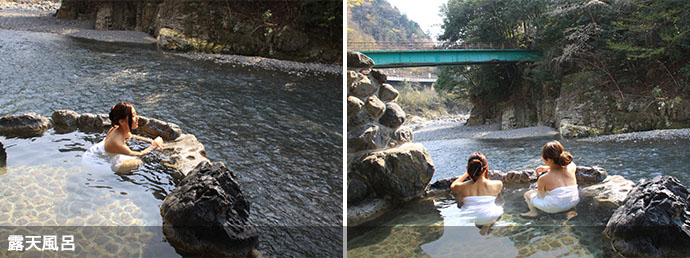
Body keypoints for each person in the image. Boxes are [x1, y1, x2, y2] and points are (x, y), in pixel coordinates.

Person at [83, 102, 163, 173]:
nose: (137, 118)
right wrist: (154, 145)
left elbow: (132, 136)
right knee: (138, 162)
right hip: (95, 163)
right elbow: (140, 154)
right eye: (133, 116)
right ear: (122, 122)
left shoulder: (118, 128)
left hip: (98, 153)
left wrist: (151, 141)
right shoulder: (117, 143)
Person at [520, 141, 579, 218]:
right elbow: (568, 164)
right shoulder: (571, 167)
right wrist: (549, 167)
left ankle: (533, 212)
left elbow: (540, 196)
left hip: (553, 208)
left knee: (528, 194)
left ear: (549, 160)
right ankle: (571, 210)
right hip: (574, 201)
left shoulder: (544, 178)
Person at [450, 152, 503, 232]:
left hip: (469, 217)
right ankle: (488, 224)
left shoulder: (462, 187)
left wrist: (466, 174)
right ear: (486, 168)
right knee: (499, 209)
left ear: (468, 168)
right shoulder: (498, 184)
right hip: (490, 216)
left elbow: (452, 186)